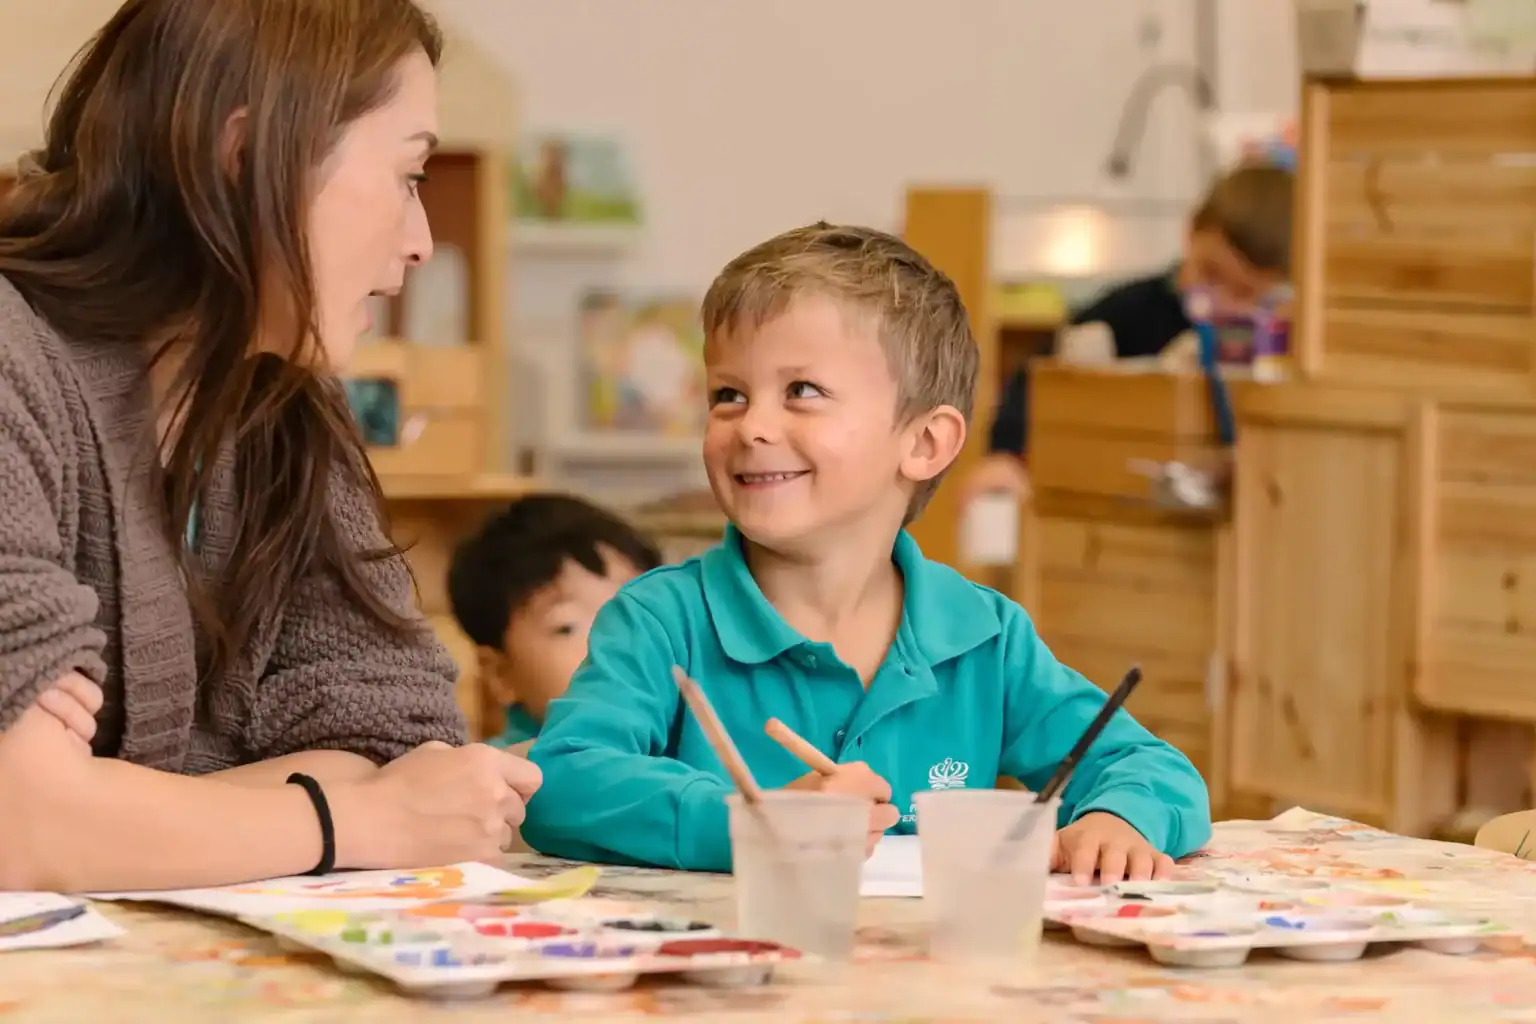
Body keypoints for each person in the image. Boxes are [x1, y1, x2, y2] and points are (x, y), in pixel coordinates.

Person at [0, 0, 540, 894]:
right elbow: (24, 826)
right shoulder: (15, 362)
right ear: (247, 156)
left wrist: (109, 806)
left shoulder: (287, 400)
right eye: (410, 176)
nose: (421, 242)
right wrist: (354, 817)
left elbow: (403, 736)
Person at [521, 223, 1211, 880]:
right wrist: (753, 823)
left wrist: (1122, 819)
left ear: (924, 444)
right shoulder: (661, 619)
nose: (752, 425)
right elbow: (564, 782)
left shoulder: (984, 637)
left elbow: (1153, 768)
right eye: (728, 394)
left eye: (802, 392)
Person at [965, 163, 1294, 501]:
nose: (1221, 301)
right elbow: (1036, 378)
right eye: (1209, 273)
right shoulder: (1131, 312)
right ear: (1191, 234)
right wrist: (1005, 454)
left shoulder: (1286, 345)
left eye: (1245, 293)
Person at [446, 494, 663, 754]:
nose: (614, 640)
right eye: (567, 627)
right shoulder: (501, 782)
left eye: (633, 614)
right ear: (501, 675)